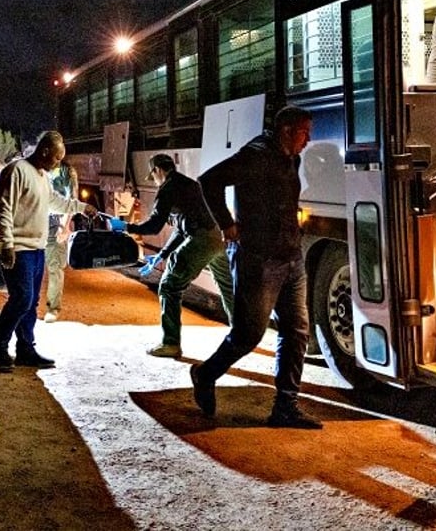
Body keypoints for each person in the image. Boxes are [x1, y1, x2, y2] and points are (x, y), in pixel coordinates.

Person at [190, 106, 322, 429]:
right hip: (258, 259)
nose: (309, 140)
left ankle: (285, 406)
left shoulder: (293, 157)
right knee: (249, 334)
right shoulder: (255, 155)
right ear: (287, 130)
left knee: (297, 330)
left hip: (291, 258)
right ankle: (205, 374)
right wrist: (227, 224)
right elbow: (209, 181)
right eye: (305, 132)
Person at [0, 131, 97, 369]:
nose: (58, 163)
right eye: (57, 158)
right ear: (45, 151)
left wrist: (82, 207)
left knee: (31, 300)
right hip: (18, 247)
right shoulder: (16, 171)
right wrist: (6, 244)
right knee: (22, 298)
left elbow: (55, 201)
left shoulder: (42, 176)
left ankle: (26, 349)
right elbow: (3, 208)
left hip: (36, 247)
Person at [109, 153, 234, 358]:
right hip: (216, 239)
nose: (155, 180)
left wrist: (126, 226)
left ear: (158, 170)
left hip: (201, 240)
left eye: (154, 176)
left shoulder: (168, 188)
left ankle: (171, 343)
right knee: (227, 287)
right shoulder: (188, 185)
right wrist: (161, 256)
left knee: (169, 287)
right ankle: (240, 336)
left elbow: (154, 226)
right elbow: (180, 229)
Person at [43, 160, 79, 323]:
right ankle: (27, 306)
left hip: (56, 222)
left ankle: (53, 307)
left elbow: (71, 199)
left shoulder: (66, 172)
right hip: (36, 221)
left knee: (55, 266)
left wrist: (64, 226)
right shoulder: (37, 169)